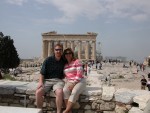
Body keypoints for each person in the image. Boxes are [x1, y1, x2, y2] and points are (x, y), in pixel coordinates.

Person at [35, 43, 65, 113]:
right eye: (56, 49)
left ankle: (58, 112)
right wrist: (40, 82)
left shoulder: (64, 60)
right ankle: (39, 111)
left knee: (60, 92)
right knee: (38, 92)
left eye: (60, 50)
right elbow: (42, 72)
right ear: (54, 51)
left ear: (62, 51)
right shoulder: (48, 60)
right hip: (48, 81)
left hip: (58, 81)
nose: (58, 51)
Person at [62, 48, 86, 113]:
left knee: (74, 91)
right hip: (69, 82)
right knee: (64, 91)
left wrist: (74, 83)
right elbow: (65, 75)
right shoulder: (65, 64)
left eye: (69, 53)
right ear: (64, 55)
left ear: (72, 54)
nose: (68, 55)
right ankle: (69, 111)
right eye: (66, 53)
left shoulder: (77, 61)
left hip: (80, 81)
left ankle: (66, 111)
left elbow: (80, 73)